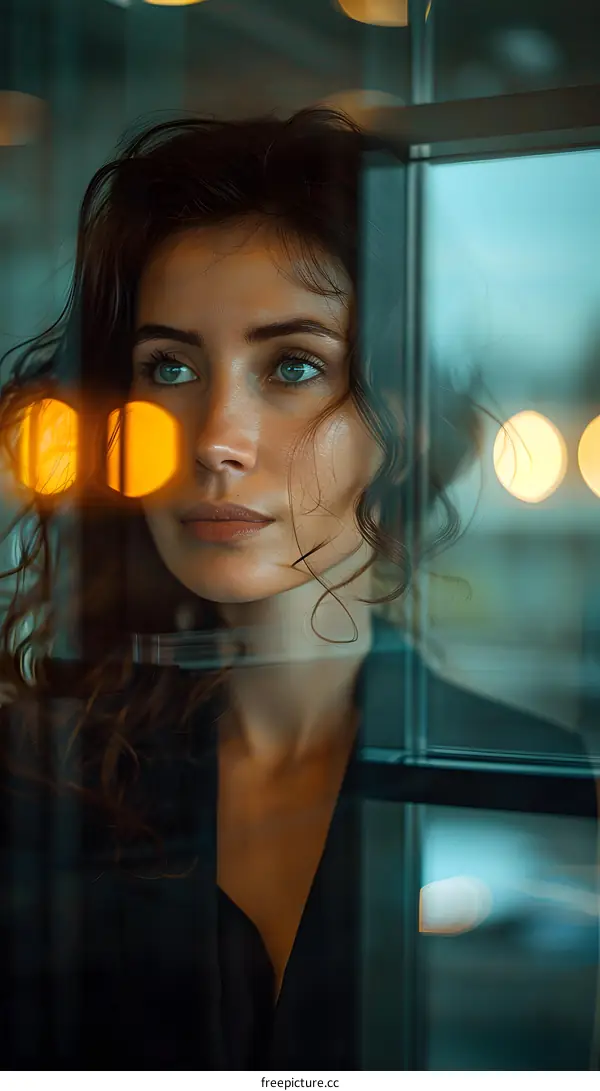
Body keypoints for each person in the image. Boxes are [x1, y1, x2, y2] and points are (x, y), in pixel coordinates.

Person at [0, 107, 596, 1071]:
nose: (215, 436)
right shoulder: (38, 774)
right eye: (171, 367)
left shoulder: (519, 777)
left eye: (293, 365)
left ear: (395, 418)